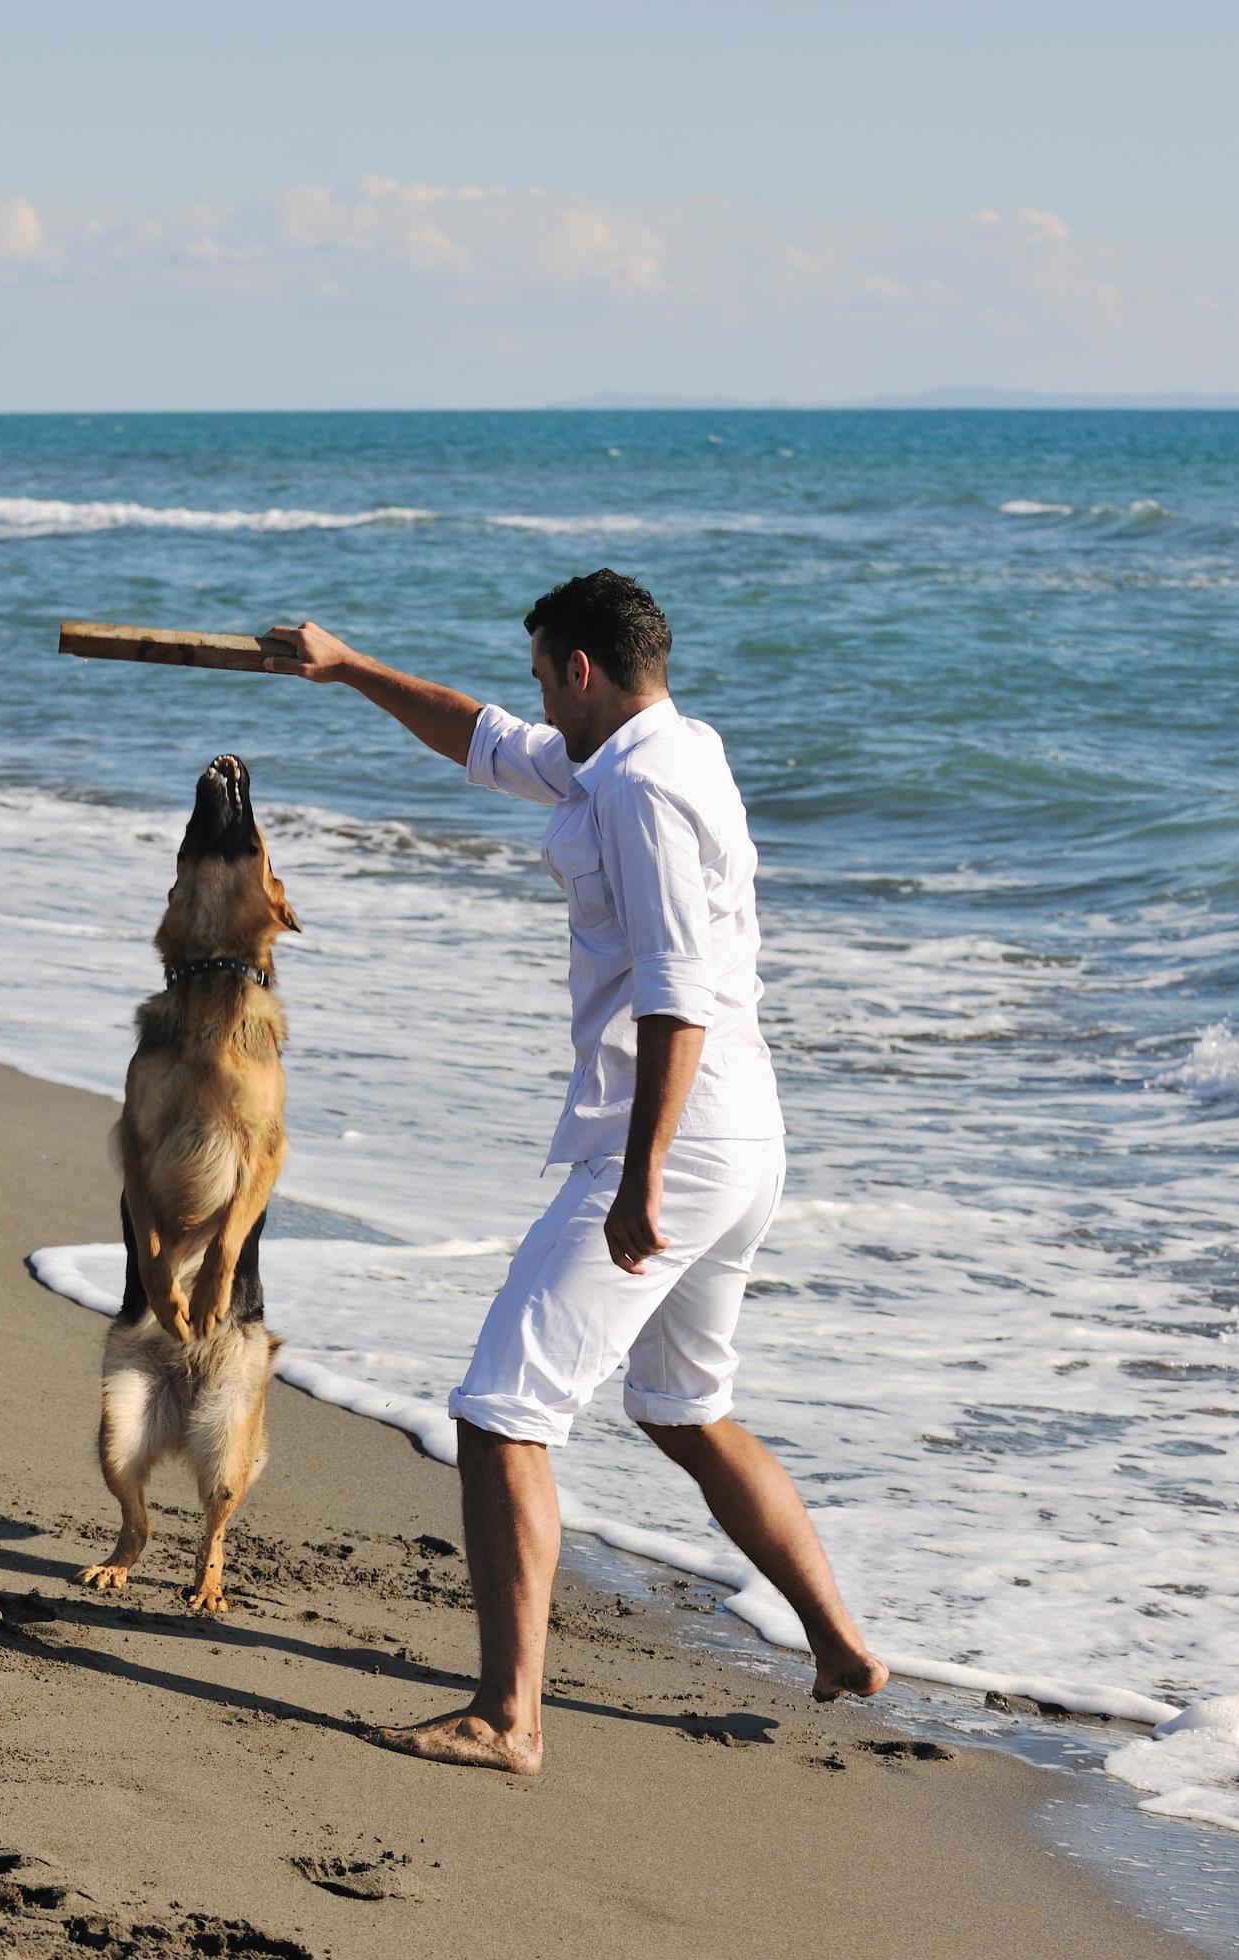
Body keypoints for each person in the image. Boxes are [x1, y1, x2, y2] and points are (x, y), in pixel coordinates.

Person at [261, 571, 888, 1775]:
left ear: (583, 670)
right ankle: (842, 1647)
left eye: (548, 674)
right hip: (744, 1130)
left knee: (501, 1412)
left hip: (676, 1134)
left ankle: (510, 1716)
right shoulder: (660, 747)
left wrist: (642, 1176)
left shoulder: (644, 789)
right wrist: (345, 667)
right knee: (683, 1407)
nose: (538, 700)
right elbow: (483, 738)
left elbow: (675, 992)